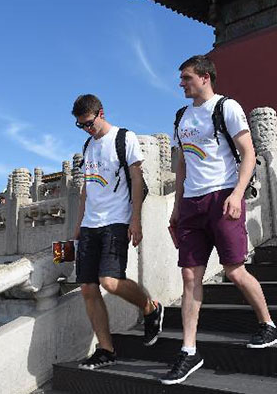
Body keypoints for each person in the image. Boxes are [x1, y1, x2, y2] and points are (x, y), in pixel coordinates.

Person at [162, 55, 277, 385]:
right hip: (192, 204)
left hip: (223, 196)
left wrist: (237, 194)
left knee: (234, 270)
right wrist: (177, 206)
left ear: (205, 77)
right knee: (189, 276)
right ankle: (189, 350)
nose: (181, 83)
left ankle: (268, 324)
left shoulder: (226, 107)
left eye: (186, 77)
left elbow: (249, 153)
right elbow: (182, 164)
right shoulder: (181, 117)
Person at [71, 94, 164, 370]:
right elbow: (86, 188)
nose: (86, 129)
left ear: (101, 113)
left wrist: (135, 220)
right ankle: (106, 349)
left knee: (109, 281)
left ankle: (150, 307)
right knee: (88, 287)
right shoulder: (88, 145)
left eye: (88, 123)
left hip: (116, 220)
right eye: (80, 125)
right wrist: (78, 223)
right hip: (90, 224)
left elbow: (137, 179)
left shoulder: (124, 138)